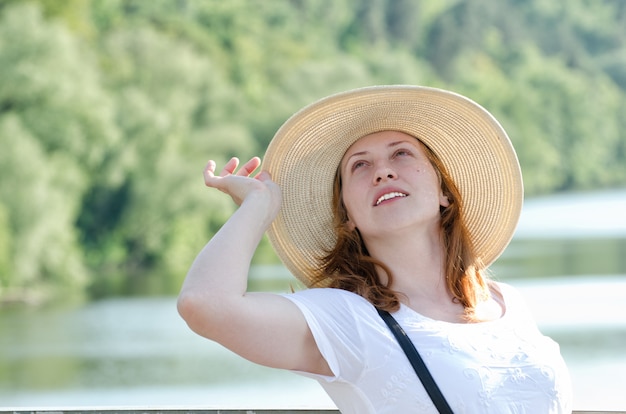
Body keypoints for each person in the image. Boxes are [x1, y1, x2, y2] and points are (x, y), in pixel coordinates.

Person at [177, 85, 573, 413]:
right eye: (359, 166)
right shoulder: (347, 320)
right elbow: (204, 304)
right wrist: (258, 207)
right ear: (347, 215)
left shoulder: (507, 302)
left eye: (401, 153)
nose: (383, 171)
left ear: (444, 193)